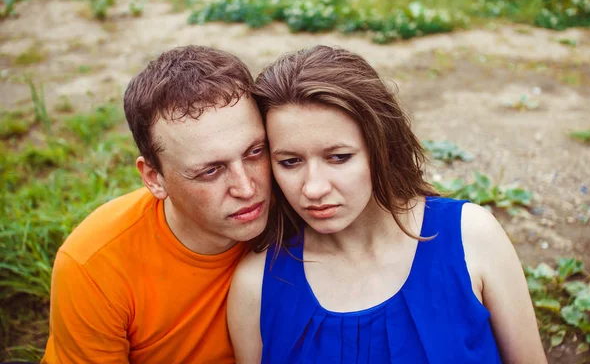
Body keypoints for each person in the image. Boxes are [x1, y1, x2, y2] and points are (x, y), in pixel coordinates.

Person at [228, 45, 547, 363]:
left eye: (339, 157)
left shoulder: (473, 239)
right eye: (290, 161)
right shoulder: (257, 284)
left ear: (382, 146)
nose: (313, 188)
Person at [41, 45, 271, 363]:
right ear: (154, 178)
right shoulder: (94, 265)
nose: (247, 188)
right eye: (210, 170)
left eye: (254, 152)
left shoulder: (305, 207)